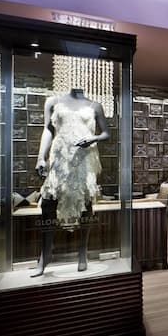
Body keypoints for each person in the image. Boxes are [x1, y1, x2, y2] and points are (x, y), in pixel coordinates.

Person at [32, 88, 109, 276]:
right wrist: (41, 157)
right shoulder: (53, 102)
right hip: (60, 156)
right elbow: (48, 130)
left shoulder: (95, 106)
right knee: (49, 202)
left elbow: (106, 133)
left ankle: (83, 252)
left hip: (84, 158)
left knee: (85, 203)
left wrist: (93, 138)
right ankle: (45, 254)